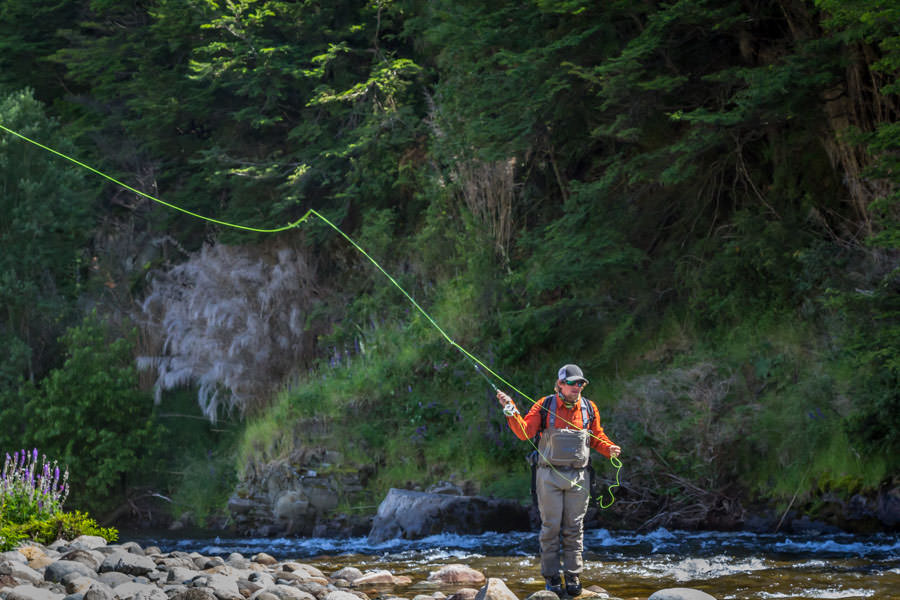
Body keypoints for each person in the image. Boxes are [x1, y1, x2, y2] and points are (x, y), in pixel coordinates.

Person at [496, 364, 621, 598]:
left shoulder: (589, 408)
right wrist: (510, 409)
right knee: (551, 528)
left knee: (574, 529)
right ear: (560, 385)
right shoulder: (544, 405)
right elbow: (524, 432)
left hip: (579, 477)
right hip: (549, 476)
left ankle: (573, 575)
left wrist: (608, 448)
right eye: (572, 383)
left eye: (580, 383)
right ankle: (552, 577)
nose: (577, 387)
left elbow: (596, 437)